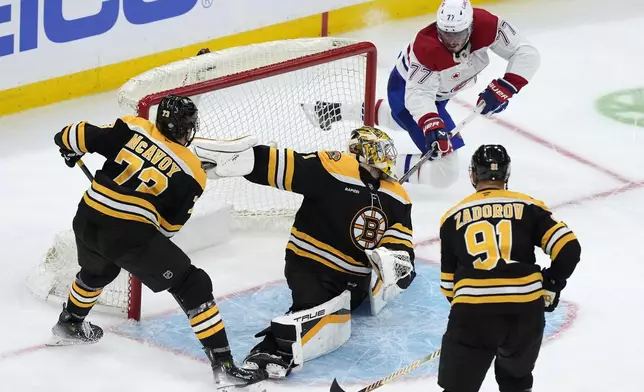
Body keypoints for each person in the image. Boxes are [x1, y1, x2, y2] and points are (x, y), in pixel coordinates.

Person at [49, 94, 267, 389]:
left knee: (98, 271)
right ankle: (225, 367)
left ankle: (70, 323)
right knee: (193, 284)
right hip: (128, 233)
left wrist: (68, 150)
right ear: (186, 129)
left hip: (87, 216)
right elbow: (168, 228)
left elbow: (71, 134)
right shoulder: (192, 170)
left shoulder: (132, 126)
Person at [190, 126, 416, 379]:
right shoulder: (334, 167)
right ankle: (272, 348)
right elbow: (285, 165)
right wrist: (246, 159)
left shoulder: (397, 196)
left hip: (355, 278)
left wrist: (398, 265)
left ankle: (289, 335)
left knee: (340, 306)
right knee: (312, 303)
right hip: (311, 264)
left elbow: (401, 247)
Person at [302, 0, 540, 188]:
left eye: (458, 35)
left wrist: (505, 87)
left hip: (440, 91)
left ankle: (331, 111)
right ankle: (369, 166)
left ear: (470, 26)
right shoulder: (426, 48)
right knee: (444, 171)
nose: (452, 41)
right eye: (446, 34)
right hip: (407, 90)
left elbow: (526, 52)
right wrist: (432, 126)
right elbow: (417, 96)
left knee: (398, 118)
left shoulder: (488, 25)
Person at [437, 144, 581, 392]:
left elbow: (449, 285)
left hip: (472, 314)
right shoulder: (528, 205)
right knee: (516, 382)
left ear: (473, 175)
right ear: (506, 175)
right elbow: (568, 248)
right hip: (524, 312)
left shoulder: (451, 217)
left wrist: (470, 322)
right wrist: (551, 284)